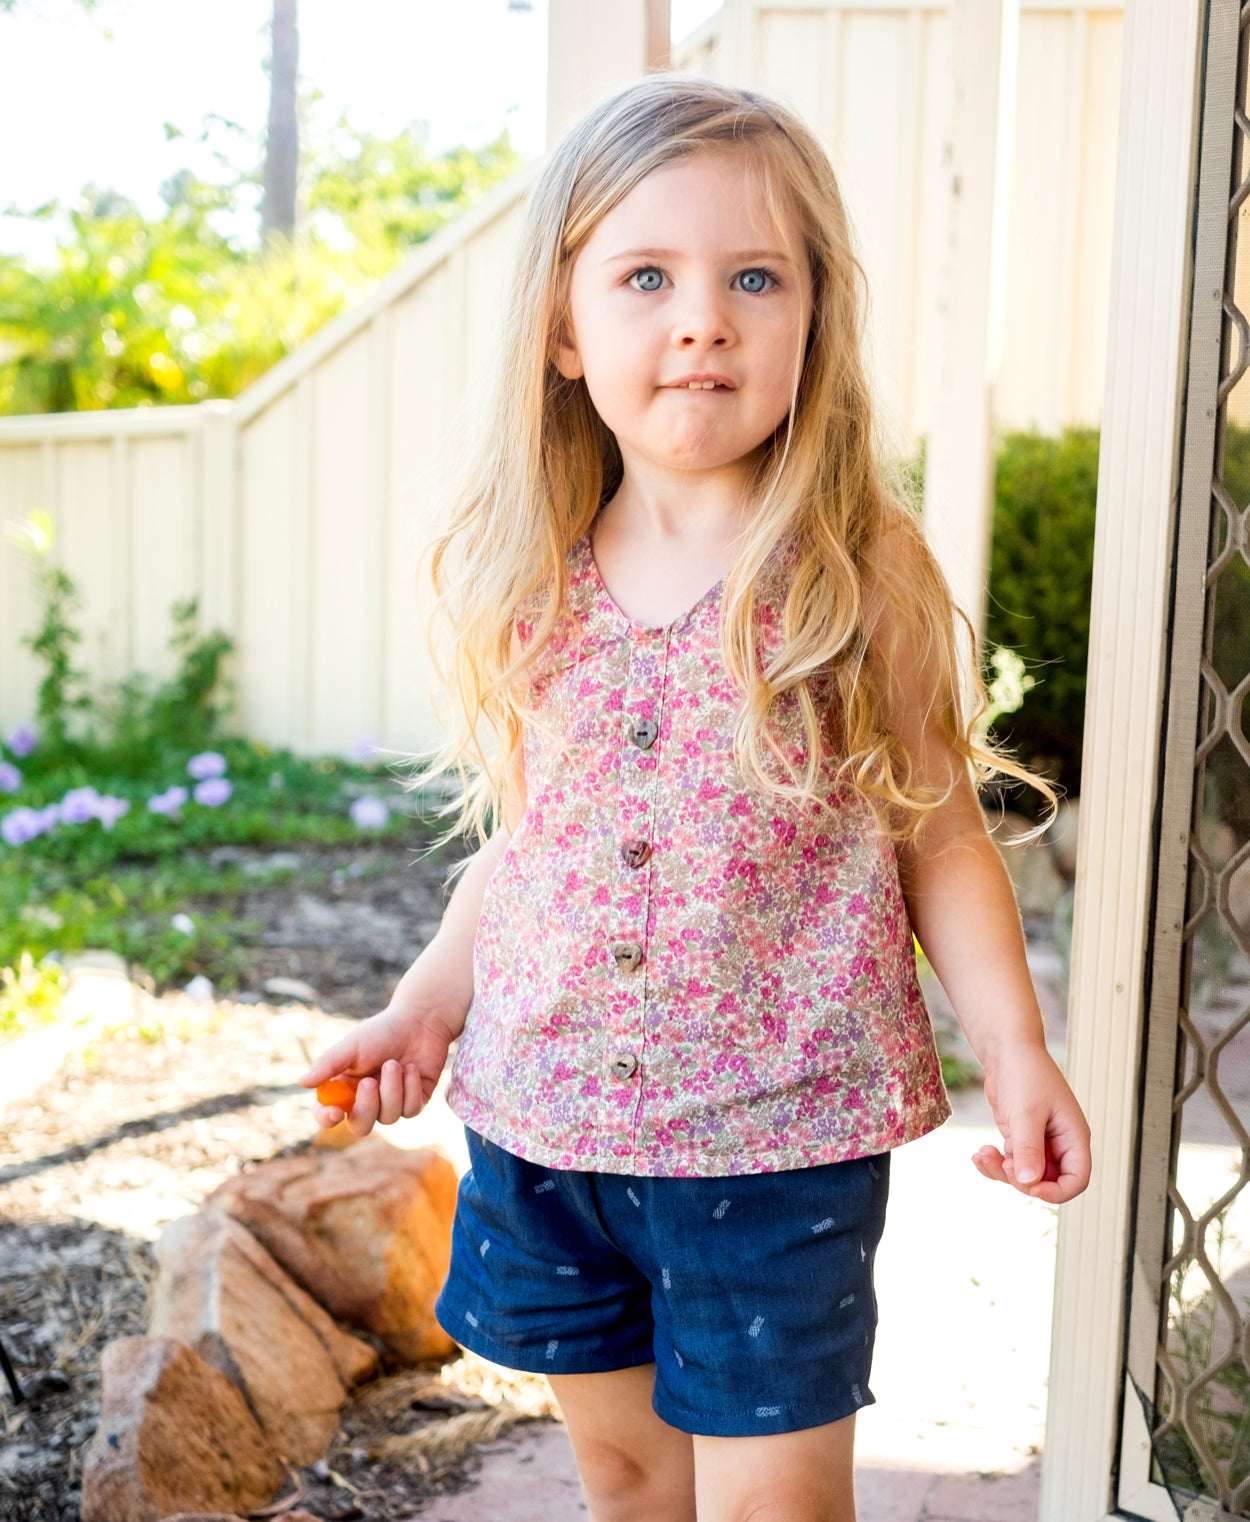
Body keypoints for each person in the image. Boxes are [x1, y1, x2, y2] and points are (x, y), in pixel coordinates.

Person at [300, 76, 1092, 1522]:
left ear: (810, 321)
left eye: (752, 277)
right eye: (646, 275)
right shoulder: (526, 570)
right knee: (621, 1475)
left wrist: (1016, 1044)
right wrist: (429, 1000)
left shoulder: (856, 568)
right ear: (560, 326)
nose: (701, 318)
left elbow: (937, 830)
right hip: (547, 1135)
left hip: (774, 1137)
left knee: (767, 1506)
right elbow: (531, 844)